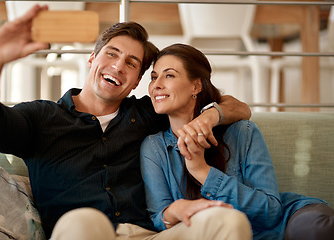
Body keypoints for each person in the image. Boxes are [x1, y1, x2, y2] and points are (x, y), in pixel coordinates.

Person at [0, 5, 252, 240]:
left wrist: (209, 116)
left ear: (136, 82)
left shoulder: (147, 114)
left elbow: (239, 108)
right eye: (112, 54)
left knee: (229, 223)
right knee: (85, 221)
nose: (119, 66)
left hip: (147, 234)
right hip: (81, 232)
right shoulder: (42, 117)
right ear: (92, 58)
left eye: (132, 63)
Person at [140, 43, 334, 240]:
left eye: (169, 75)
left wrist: (202, 171)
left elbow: (271, 212)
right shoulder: (155, 147)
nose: (156, 84)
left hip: (283, 224)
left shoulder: (241, 132)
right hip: (219, 233)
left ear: (196, 86)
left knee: (317, 229)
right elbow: (159, 218)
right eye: (154, 77)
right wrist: (176, 210)